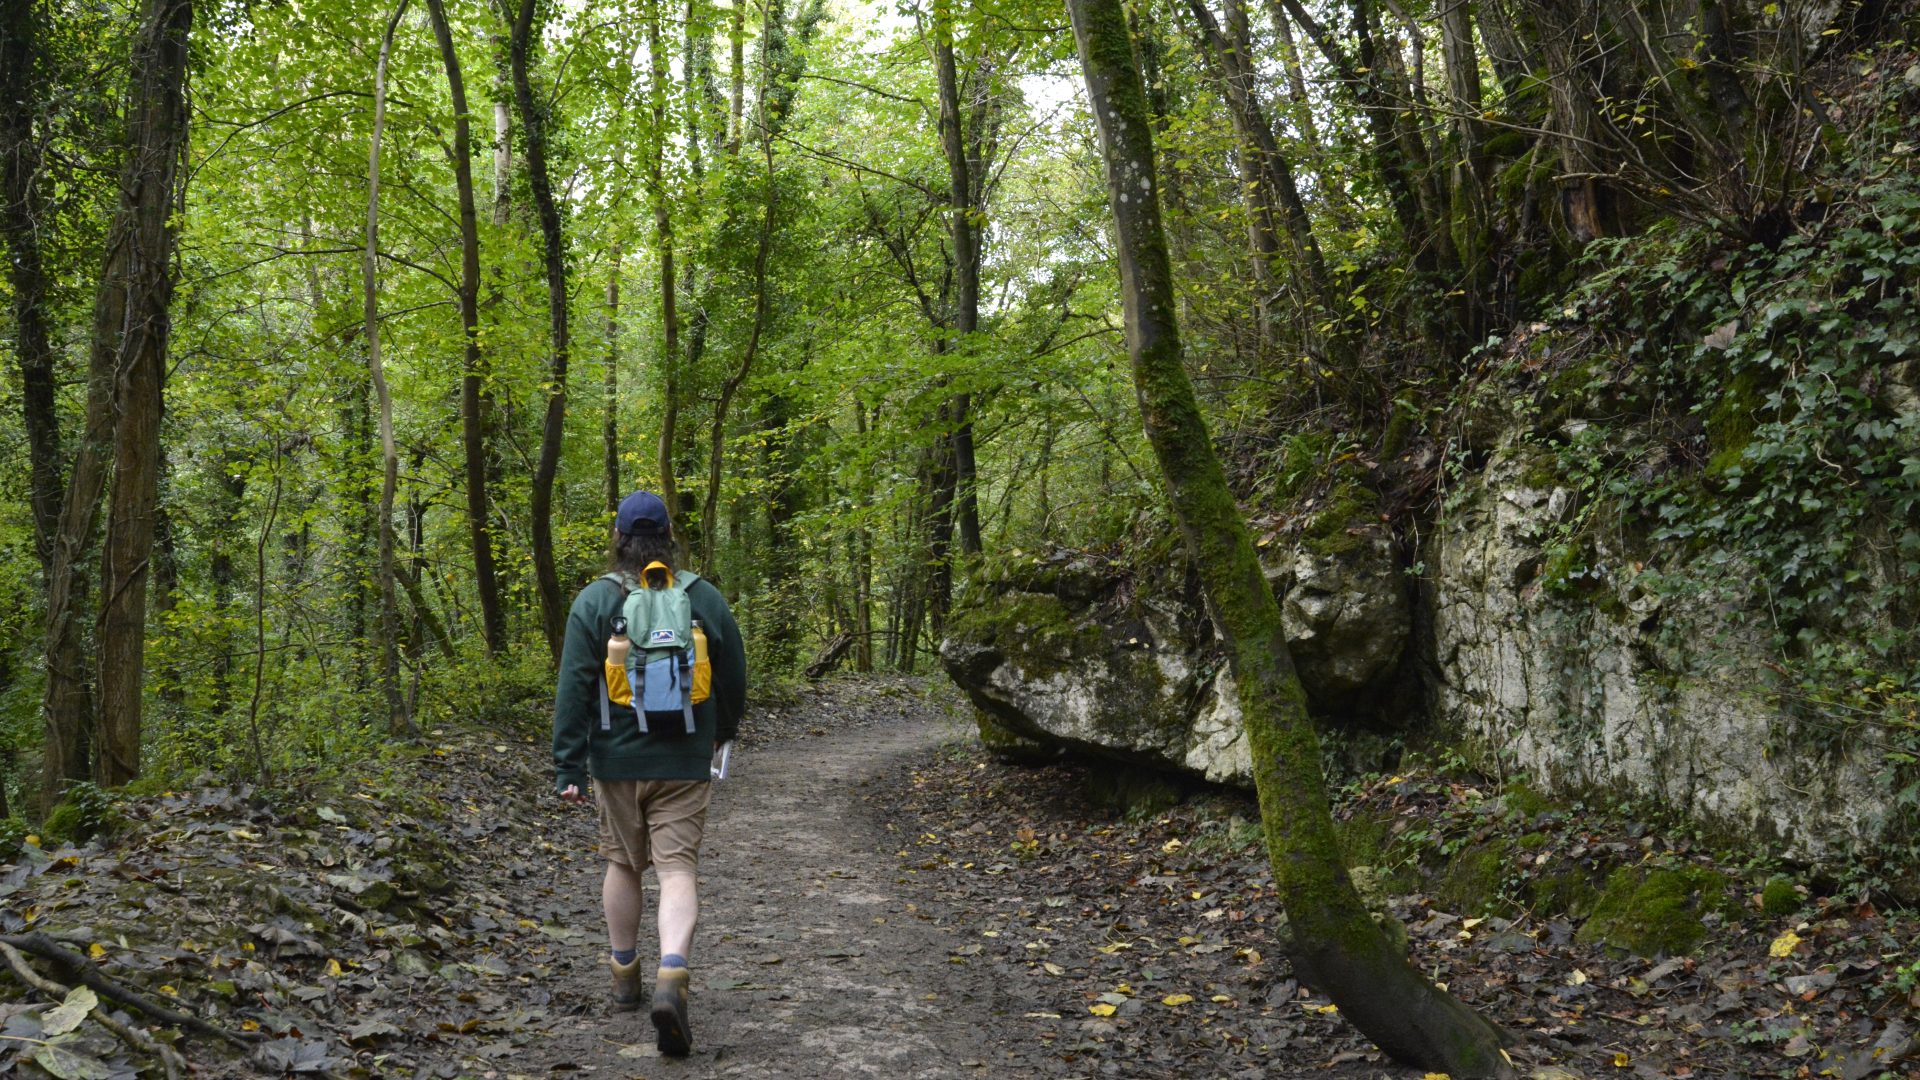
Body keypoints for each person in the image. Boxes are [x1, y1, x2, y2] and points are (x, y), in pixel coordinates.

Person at [552, 490, 746, 1057]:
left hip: (614, 760)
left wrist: (568, 763)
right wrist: (722, 730)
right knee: (677, 868)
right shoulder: (701, 596)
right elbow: (732, 671)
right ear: (668, 536)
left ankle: (623, 974)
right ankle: (672, 974)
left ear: (618, 538)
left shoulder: (594, 601)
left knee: (622, 862)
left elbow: (573, 685)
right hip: (684, 758)